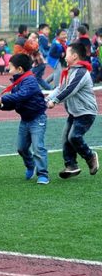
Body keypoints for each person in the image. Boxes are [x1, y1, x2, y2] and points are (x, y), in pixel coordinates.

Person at [0, 54, 50, 185]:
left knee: (38, 147)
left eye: (10, 66)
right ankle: (31, 165)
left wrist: (3, 98)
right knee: (21, 148)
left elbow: (21, 96)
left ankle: (43, 174)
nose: (8, 68)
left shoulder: (30, 80)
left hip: (37, 118)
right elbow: (14, 103)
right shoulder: (17, 82)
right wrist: (0, 105)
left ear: (19, 69)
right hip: (25, 120)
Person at [47, 42, 98, 179]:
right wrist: (47, 99)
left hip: (86, 112)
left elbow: (70, 90)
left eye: (67, 53)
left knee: (74, 136)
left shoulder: (81, 72)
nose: (64, 56)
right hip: (74, 112)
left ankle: (90, 156)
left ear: (75, 56)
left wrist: (55, 101)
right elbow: (60, 88)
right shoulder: (69, 71)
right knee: (65, 138)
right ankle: (71, 165)